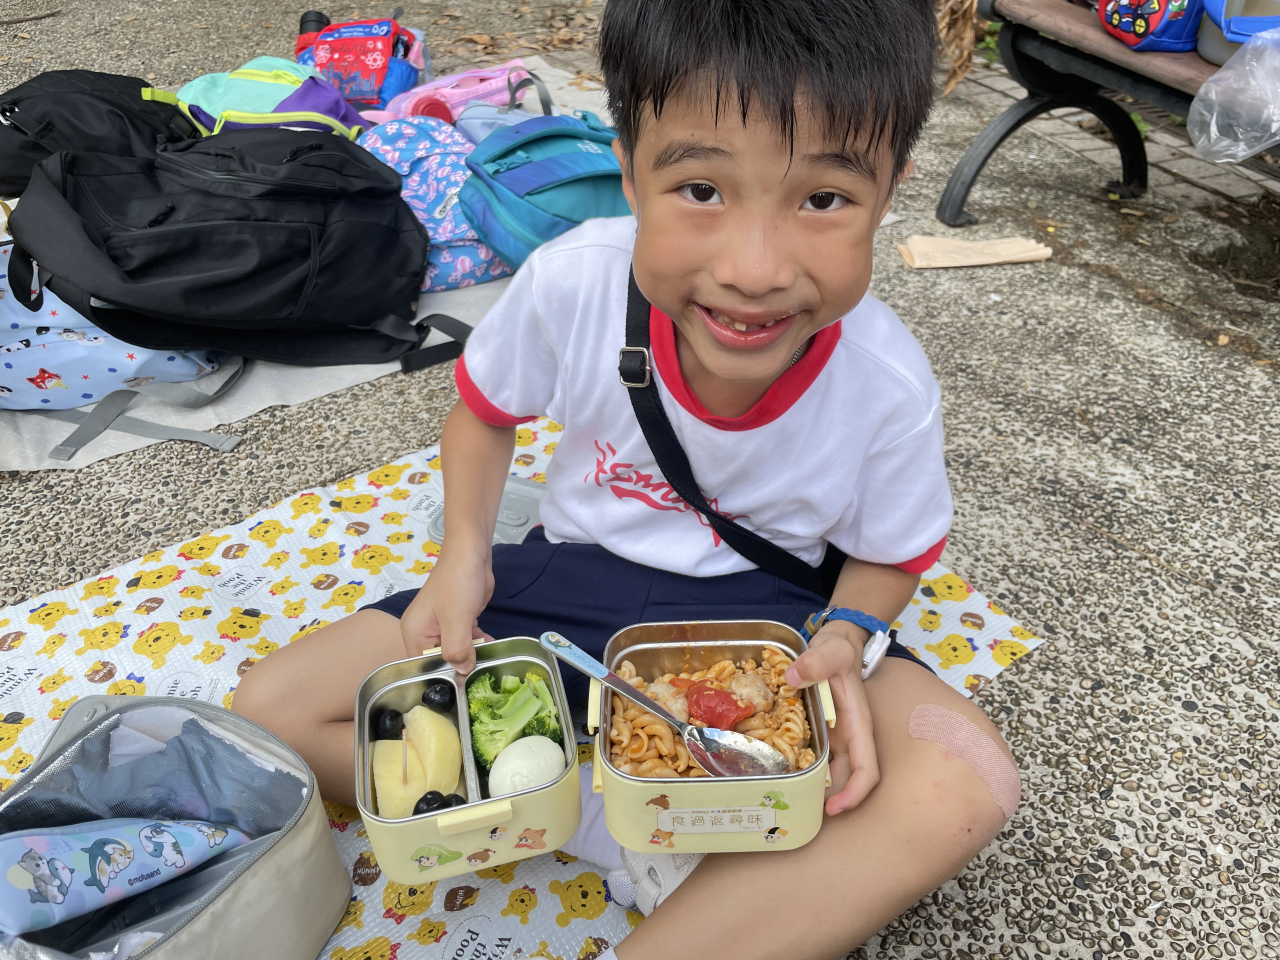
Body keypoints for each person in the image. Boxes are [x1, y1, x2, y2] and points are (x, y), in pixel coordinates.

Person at [234, 0, 1020, 955]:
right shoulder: (572, 281)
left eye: (823, 199)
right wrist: (463, 558)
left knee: (964, 776)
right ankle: (618, 826)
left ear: (888, 191)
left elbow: (890, 557)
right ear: (630, 172)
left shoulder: (887, 384)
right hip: (566, 587)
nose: (756, 269)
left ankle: (666, 849)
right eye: (701, 188)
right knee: (271, 710)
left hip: (770, 623)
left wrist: (849, 636)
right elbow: (484, 415)